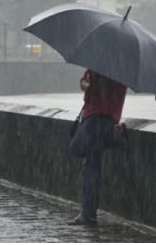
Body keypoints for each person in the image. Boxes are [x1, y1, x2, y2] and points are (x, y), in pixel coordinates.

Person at [67, 68, 128, 225]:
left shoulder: (101, 65)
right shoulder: (122, 68)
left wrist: (89, 85)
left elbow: (88, 84)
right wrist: (86, 83)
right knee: (92, 164)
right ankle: (114, 135)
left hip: (94, 118)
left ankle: (88, 214)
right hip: (109, 118)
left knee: (89, 166)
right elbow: (84, 82)